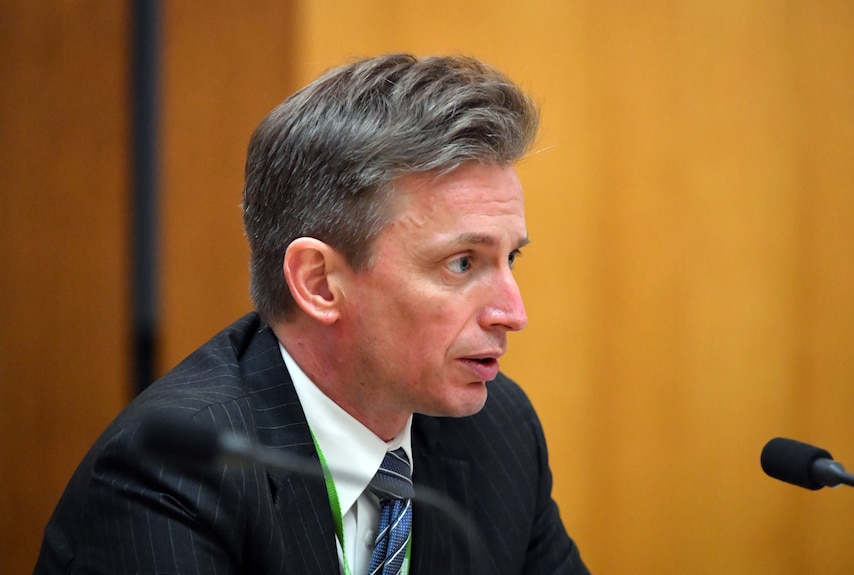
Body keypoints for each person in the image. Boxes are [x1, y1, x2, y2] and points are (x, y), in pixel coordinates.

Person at [34, 53, 590, 574]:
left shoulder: (500, 431)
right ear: (319, 283)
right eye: (462, 263)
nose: (513, 313)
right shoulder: (173, 476)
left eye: (510, 257)